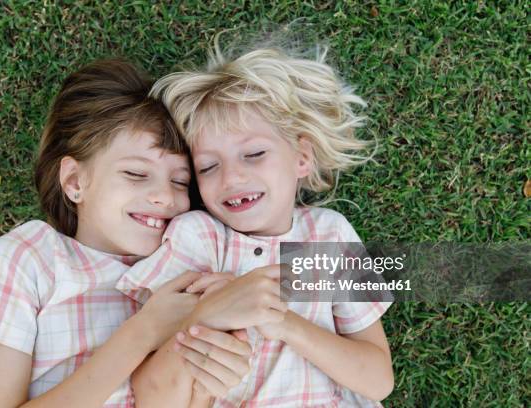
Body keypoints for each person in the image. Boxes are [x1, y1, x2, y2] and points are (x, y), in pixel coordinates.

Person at [0, 58, 249, 407]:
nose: (166, 196)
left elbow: (306, 272)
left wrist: (239, 316)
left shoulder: (205, 250)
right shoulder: (27, 259)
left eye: (180, 181)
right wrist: (141, 334)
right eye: (135, 173)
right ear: (74, 181)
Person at [118, 46, 395, 407]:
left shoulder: (329, 236)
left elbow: (378, 381)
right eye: (208, 167)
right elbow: (152, 387)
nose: (232, 177)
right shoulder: (197, 238)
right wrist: (215, 310)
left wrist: (282, 322)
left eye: (253, 154)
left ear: (301, 157)